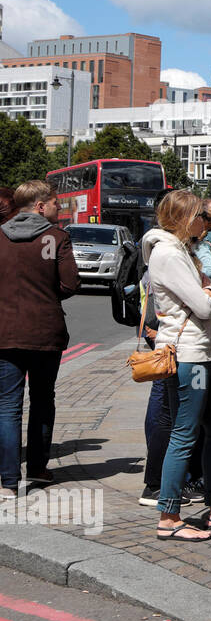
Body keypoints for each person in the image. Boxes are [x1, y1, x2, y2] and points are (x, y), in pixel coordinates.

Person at [141, 190, 211, 540]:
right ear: (183, 219)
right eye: (199, 216)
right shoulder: (169, 253)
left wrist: (208, 288)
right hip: (187, 355)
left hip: (198, 352)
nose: (203, 223)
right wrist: (210, 290)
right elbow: (206, 306)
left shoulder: (181, 251)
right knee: (184, 433)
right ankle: (169, 515)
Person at [0, 181, 79, 497]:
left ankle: (7, 482)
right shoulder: (57, 238)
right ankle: (37, 468)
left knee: (7, 405)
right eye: (56, 203)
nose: (60, 208)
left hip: (4, 332)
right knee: (43, 400)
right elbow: (71, 283)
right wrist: (48, 294)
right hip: (46, 332)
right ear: (40, 206)